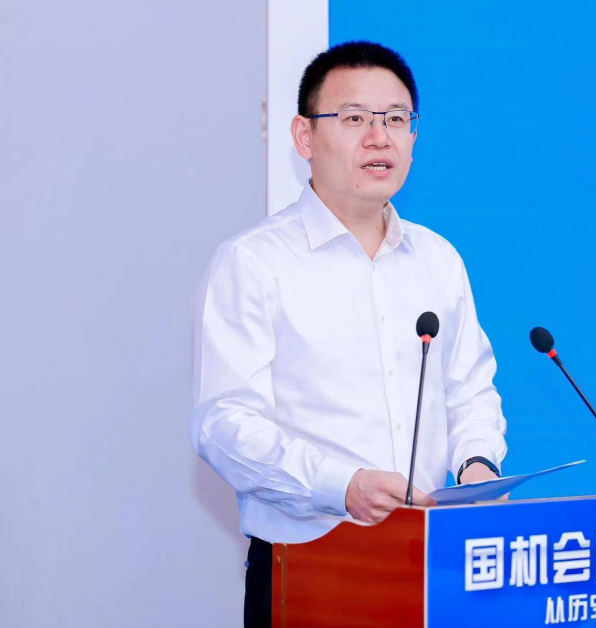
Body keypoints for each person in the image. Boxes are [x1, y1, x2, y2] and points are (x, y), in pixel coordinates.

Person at [189, 41, 508, 627]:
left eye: (396, 120)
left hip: (430, 562)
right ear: (304, 136)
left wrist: (477, 464)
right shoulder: (255, 262)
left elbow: (469, 390)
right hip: (310, 565)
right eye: (355, 118)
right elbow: (224, 424)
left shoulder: (438, 259)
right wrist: (342, 486)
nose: (380, 138)